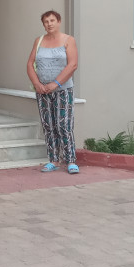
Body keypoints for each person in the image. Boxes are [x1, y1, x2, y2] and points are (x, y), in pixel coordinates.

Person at [27, 10, 79, 174]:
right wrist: (37, 84)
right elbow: (30, 64)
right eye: (46, 21)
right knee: (48, 125)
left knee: (64, 125)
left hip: (63, 90)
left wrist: (55, 83)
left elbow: (73, 65)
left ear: (59, 22)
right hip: (43, 92)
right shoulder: (39, 41)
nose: (49, 24)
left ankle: (70, 160)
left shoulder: (68, 40)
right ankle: (53, 160)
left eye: (52, 20)